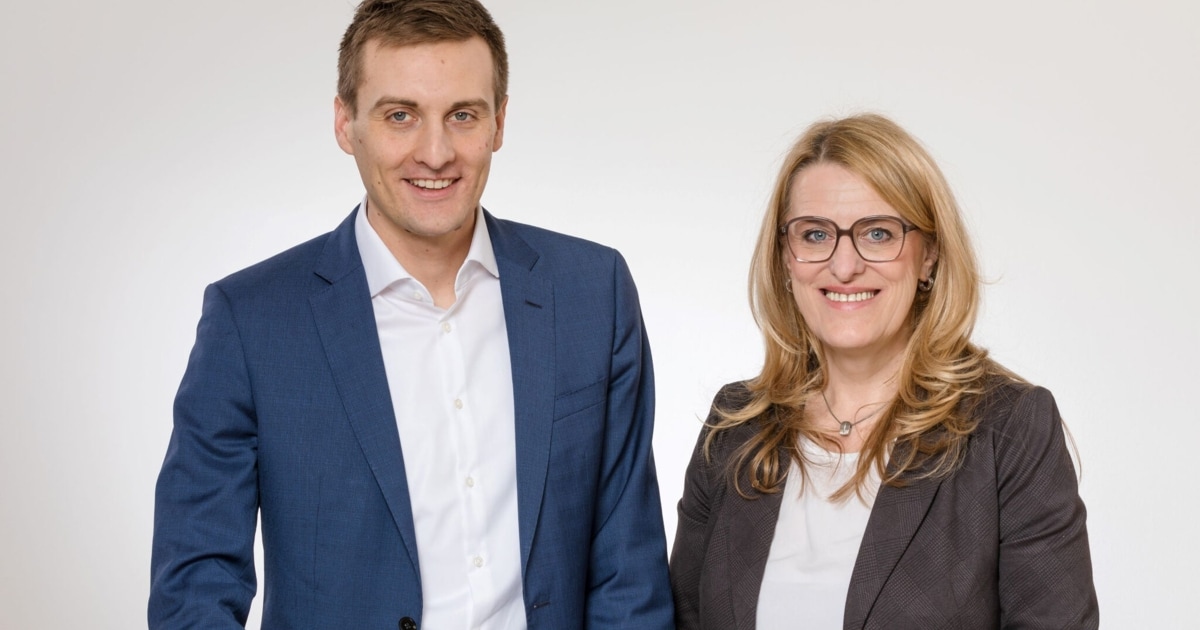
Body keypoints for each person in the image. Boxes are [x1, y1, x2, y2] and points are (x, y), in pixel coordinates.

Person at [148, 1, 674, 628]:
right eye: (400, 115)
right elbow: (196, 583)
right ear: (346, 124)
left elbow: (628, 572)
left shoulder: (592, 291)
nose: (435, 152)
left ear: (499, 122)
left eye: (462, 115)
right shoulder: (251, 321)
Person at [669, 113, 1098, 629]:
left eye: (877, 233)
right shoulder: (736, 427)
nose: (844, 266)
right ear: (785, 257)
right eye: (814, 234)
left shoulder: (1007, 430)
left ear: (929, 256)